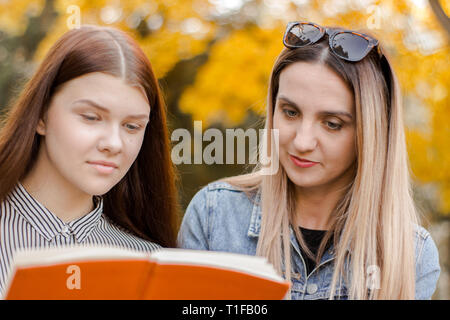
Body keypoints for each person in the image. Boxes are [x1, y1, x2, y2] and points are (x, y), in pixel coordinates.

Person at [178, 21, 440, 299]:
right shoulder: (215, 216)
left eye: (332, 123)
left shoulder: (411, 256)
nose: (302, 142)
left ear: (371, 134)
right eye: (290, 112)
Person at [0, 25, 179, 294]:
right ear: (41, 115)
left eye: (132, 127)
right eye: (91, 117)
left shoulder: (152, 264)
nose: (114, 144)